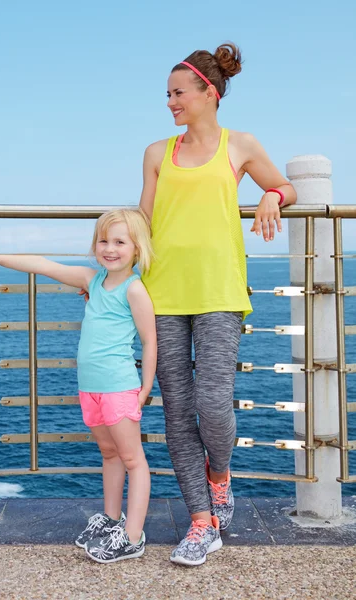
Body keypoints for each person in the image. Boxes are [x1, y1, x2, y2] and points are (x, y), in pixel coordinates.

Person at [139, 42, 297, 566]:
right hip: (162, 294)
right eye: (167, 95)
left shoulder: (240, 145)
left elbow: (285, 186)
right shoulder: (158, 153)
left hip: (220, 291)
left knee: (211, 401)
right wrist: (112, 275)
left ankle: (220, 473)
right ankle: (201, 522)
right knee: (177, 413)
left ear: (209, 93)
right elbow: (144, 222)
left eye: (177, 93)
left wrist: (272, 195)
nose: (170, 102)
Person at [0, 208, 157, 564]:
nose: (110, 249)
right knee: (109, 454)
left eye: (120, 242)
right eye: (104, 240)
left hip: (118, 386)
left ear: (136, 248)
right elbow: (42, 264)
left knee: (133, 459)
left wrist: (145, 387)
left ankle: (133, 536)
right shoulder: (91, 280)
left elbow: (149, 341)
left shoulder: (134, 290)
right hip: (90, 387)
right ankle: (111, 519)